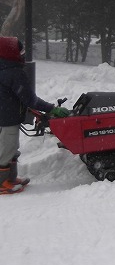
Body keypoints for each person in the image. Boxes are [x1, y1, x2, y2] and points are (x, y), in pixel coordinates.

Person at [0, 37, 69, 194]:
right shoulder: (14, 73)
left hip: (4, 117)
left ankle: (10, 178)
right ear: (11, 53)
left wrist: (30, 110)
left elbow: (10, 96)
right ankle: (1, 183)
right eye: (21, 52)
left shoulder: (3, 69)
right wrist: (52, 109)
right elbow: (30, 99)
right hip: (8, 119)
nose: (23, 54)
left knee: (8, 148)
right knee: (6, 150)